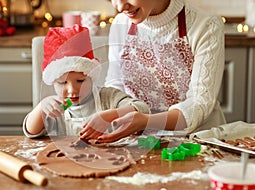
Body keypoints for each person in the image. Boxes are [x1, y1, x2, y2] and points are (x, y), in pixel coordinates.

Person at [80, 0, 226, 143]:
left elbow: (199, 104)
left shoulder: (205, 25)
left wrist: (145, 121)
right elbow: (116, 85)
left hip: (196, 141)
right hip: (139, 141)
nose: (120, 6)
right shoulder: (121, 23)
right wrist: (115, 113)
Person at [22, 25, 149, 138]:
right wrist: (41, 108)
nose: (72, 90)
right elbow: (31, 132)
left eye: (81, 81)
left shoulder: (108, 97)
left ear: (91, 77)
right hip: (67, 162)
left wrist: (112, 114)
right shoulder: (56, 108)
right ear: (53, 82)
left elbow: (142, 109)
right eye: (62, 83)